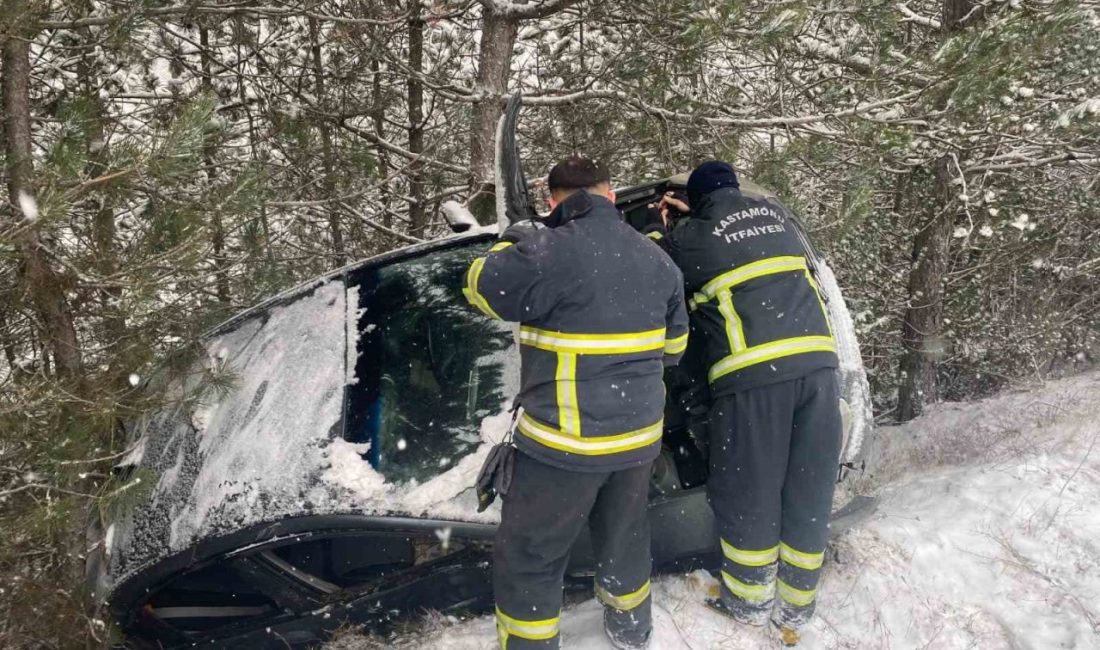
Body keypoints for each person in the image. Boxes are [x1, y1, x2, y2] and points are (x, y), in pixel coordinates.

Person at [462, 156, 689, 649]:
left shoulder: (545, 250)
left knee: (531, 554)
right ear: (611, 196)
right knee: (625, 536)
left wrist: (511, 237)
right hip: (637, 440)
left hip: (564, 444)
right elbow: (674, 350)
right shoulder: (657, 260)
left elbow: (479, 288)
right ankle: (632, 630)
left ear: (552, 201)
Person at [654, 161, 841, 645]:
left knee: (749, 491)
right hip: (819, 370)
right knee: (808, 489)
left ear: (694, 200)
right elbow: (736, 237)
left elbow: (657, 266)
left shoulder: (690, 238)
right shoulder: (778, 219)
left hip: (754, 376)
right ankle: (796, 607)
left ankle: (747, 600)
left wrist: (667, 224)